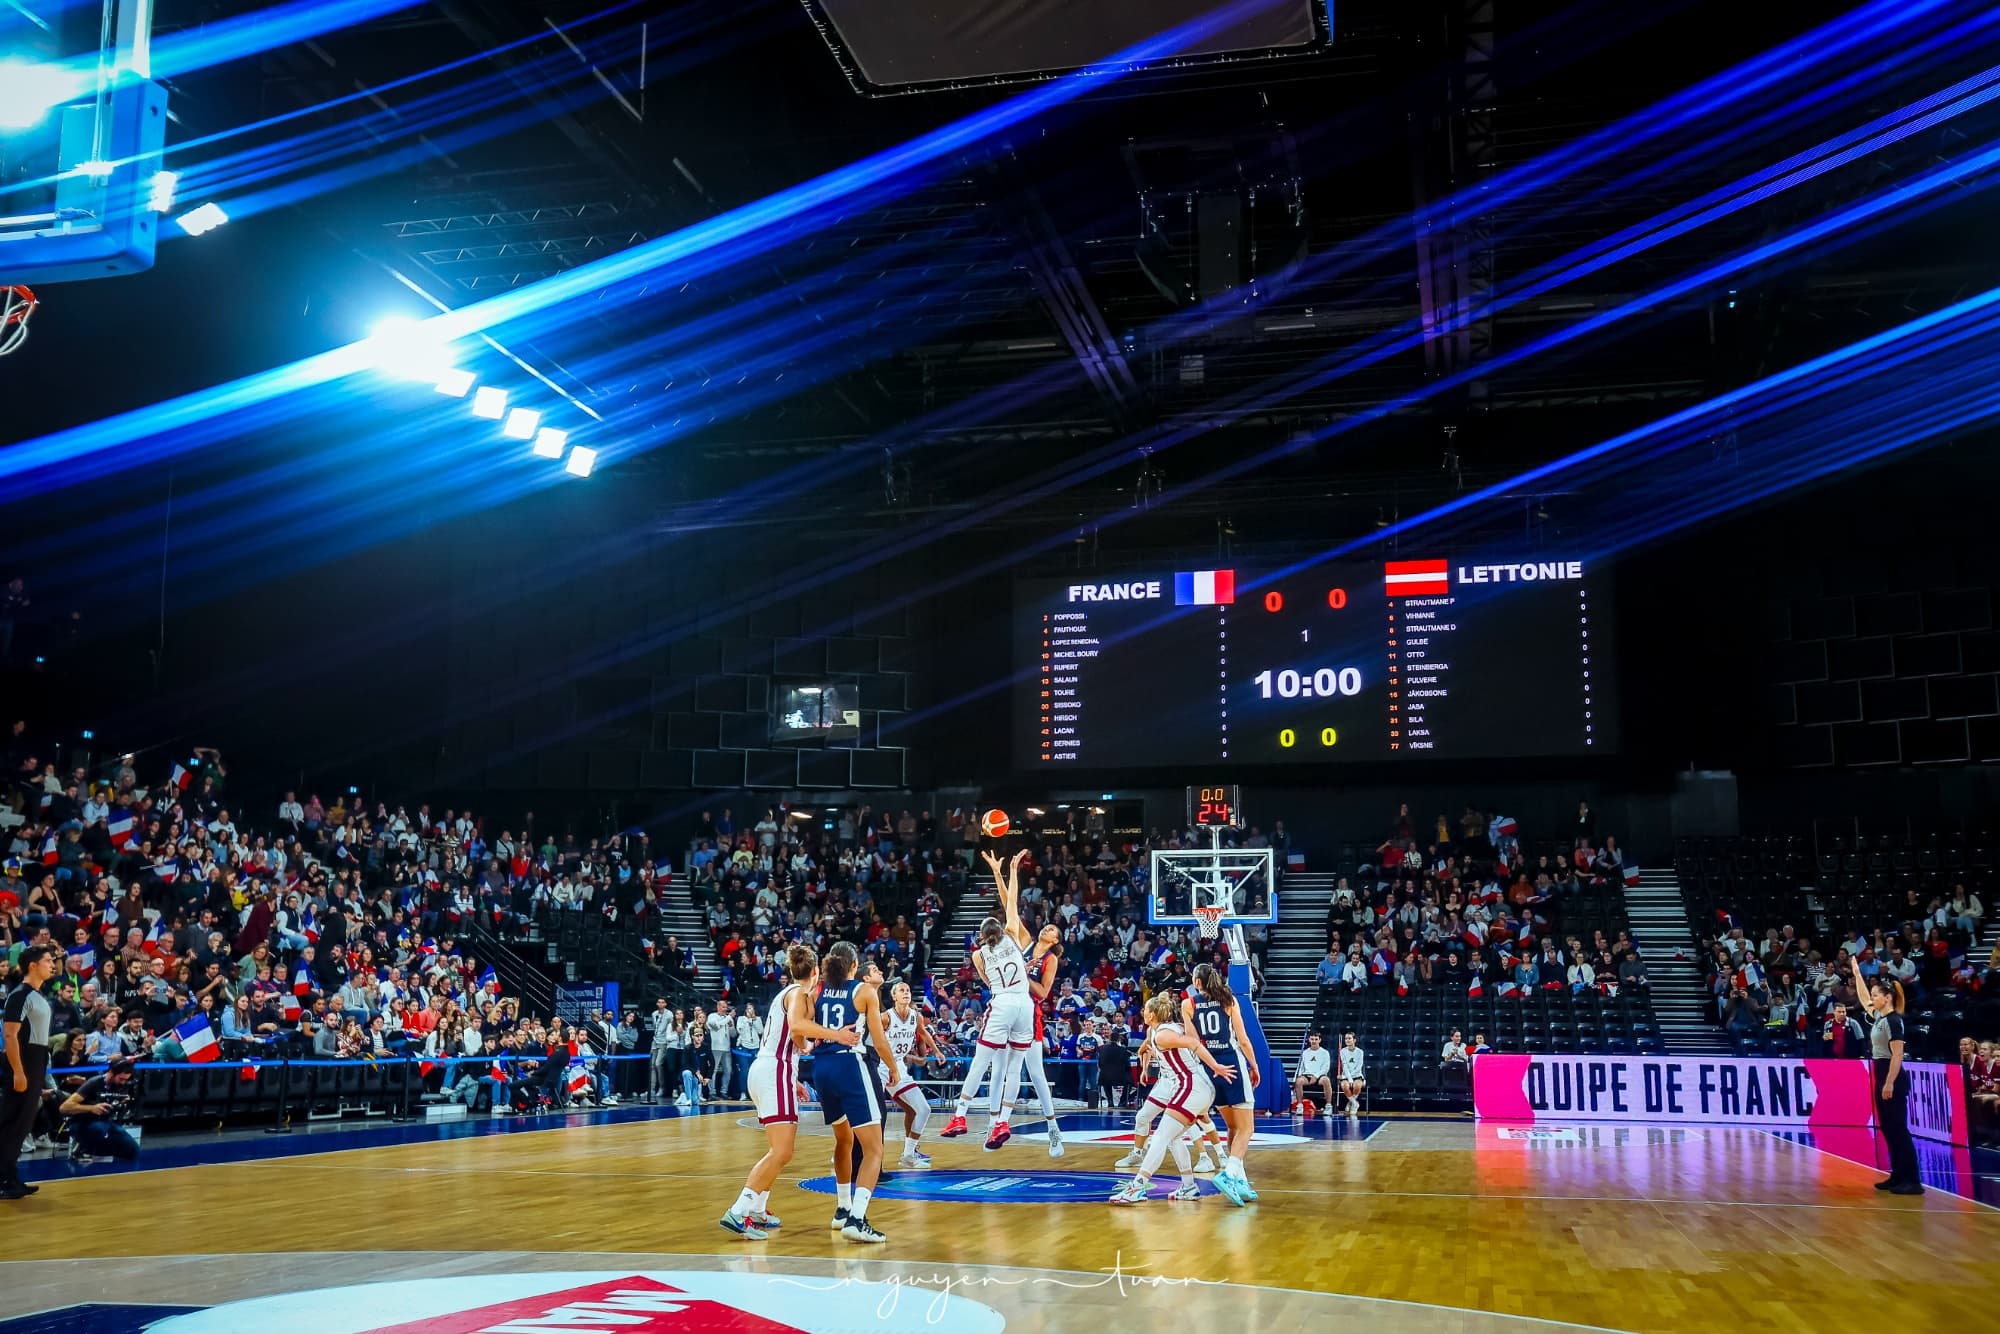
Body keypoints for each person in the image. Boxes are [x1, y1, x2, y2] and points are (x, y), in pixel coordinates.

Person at [720, 944, 859, 1241]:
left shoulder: (784, 995)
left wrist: (797, 1069)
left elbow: (793, 1037)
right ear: (814, 972)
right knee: (782, 1151)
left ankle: (758, 1207)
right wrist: (837, 1035)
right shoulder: (798, 994)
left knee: (779, 1151)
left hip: (768, 1069)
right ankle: (738, 1209)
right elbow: (798, 1025)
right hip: (774, 1071)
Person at [944, 849, 1036, 1151]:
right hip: (1025, 1003)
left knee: (980, 1062)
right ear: (1001, 929)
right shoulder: (1013, 935)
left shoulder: (977, 953)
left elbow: (985, 981)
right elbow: (1011, 899)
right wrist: (1008, 869)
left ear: (982, 937)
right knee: (1014, 1066)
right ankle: (1002, 1122)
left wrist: (999, 870)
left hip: (1003, 1001)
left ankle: (959, 1115)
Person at [1109, 991, 1235, 1205]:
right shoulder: (1160, 1030)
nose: (1143, 1012)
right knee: (1173, 1137)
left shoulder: (1162, 1035)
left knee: (1160, 1137)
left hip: (1190, 1085)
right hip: (1195, 1087)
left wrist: (1215, 1066)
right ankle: (1188, 1186)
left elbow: (1195, 1044)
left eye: (1146, 1010)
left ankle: (1137, 1187)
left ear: (1152, 1014)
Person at [812, 941, 893, 1243]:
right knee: (874, 1149)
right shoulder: (863, 991)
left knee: (843, 1140)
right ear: (855, 966)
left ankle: (842, 1209)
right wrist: (894, 1069)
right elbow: (880, 1042)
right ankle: (857, 1219)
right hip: (850, 1066)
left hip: (821, 1070)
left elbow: (803, 1026)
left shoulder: (816, 990)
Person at [1183, 962, 1259, 1206]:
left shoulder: (1188, 1004)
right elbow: (1244, 1039)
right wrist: (1254, 1065)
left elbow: (1193, 1043)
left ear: (1197, 983)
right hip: (1232, 1063)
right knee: (1247, 1129)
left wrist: (1209, 1066)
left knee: (1233, 1128)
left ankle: (1240, 1180)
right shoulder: (1228, 1000)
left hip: (1210, 1067)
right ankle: (1229, 1173)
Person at [1851, 958, 1921, 1195]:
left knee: (1898, 1128)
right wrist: (1856, 974)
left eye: (1876, 995)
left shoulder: (1894, 1021)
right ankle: (1898, 1174)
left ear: (1887, 997)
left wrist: (1889, 1082)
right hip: (1880, 1074)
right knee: (1888, 1128)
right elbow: (1862, 999)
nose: (1872, 998)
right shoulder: (1880, 1017)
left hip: (1892, 1076)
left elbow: (1898, 1054)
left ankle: (1913, 1180)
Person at [2, 945, 60, 1198]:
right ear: (33, 965)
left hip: (35, 1062)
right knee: (11, 1124)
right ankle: (4, 1179)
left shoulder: (38, 995)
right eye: (48, 960)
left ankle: (9, 1176)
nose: (53, 964)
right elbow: (9, 1035)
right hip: (23, 1062)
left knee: (22, 1124)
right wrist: (18, 1072)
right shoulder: (19, 996)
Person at [1004, 923, 1065, 1158]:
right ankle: (1000, 1124)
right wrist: (1002, 883)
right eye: (1047, 926)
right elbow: (1012, 913)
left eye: (1052, 929)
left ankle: (1053, 1128)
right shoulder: (1027, 943)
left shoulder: (1050, 959)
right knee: (1009, 1069)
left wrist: (1022, 973)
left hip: (1030, 1013)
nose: (1046, 929)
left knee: (1035, 1072)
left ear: (1055, 940)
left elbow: (1042, 992)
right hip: (1010, 1009)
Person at [883, 980, 941, 1169]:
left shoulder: (916, 1016)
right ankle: (847, 1152)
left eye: (908, 989)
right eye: (902, 990)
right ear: (894, 996)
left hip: (898, 1066)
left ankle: (909, 1154)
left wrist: (937, 1052)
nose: (906, 992)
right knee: (869, 1112)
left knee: (919, 1110)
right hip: (881, 1066)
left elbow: (924, 1034)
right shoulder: (886, 1018)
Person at [60, 1056, 139, 1162]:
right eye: (121, 1079)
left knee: (132, 1150)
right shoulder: (94, 1083)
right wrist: (91, 1108)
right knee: (98, 1130)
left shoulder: (122, 1085)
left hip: (106, 1123)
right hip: (82, 1123)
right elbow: (64, 1107)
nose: (123, 1082)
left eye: (126, 1080)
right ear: (111, 1072)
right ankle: (81, 1149)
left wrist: (121, 1103)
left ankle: (97, 1152)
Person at [1293, 1033, 1333, 1114]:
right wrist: (1297, 1076)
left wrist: (1316, 1076)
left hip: (1320, 1076)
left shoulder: (1325, 1053)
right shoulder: (1305, 1052)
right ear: (1309, 1040)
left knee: (1326, 1080)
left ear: (1319, 1040)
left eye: (1316, 1039)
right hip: (1307, 1076)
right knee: (1298, 1081)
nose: (1314, 1041)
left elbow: (1326, 1068)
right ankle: (1300, 1106)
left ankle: (1328, 1106)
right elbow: (1301, 1067)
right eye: (1312, 1039)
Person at [1338, 1031, 1366, 1116]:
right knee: (1344, 1086)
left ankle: (1350, 1103)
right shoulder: (1342, 1051)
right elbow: (1345, 1066)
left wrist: (1352, 1078)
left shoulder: (1360, 1052)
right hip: (1346, 1075)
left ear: (1354, 1040)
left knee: (1356, 1085)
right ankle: (1355, 1103)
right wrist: (1349, 1079)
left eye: (1349, 1038)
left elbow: (1359, 1066)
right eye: (1346, 1038)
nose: (1347, 1040)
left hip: (1357, 1075)